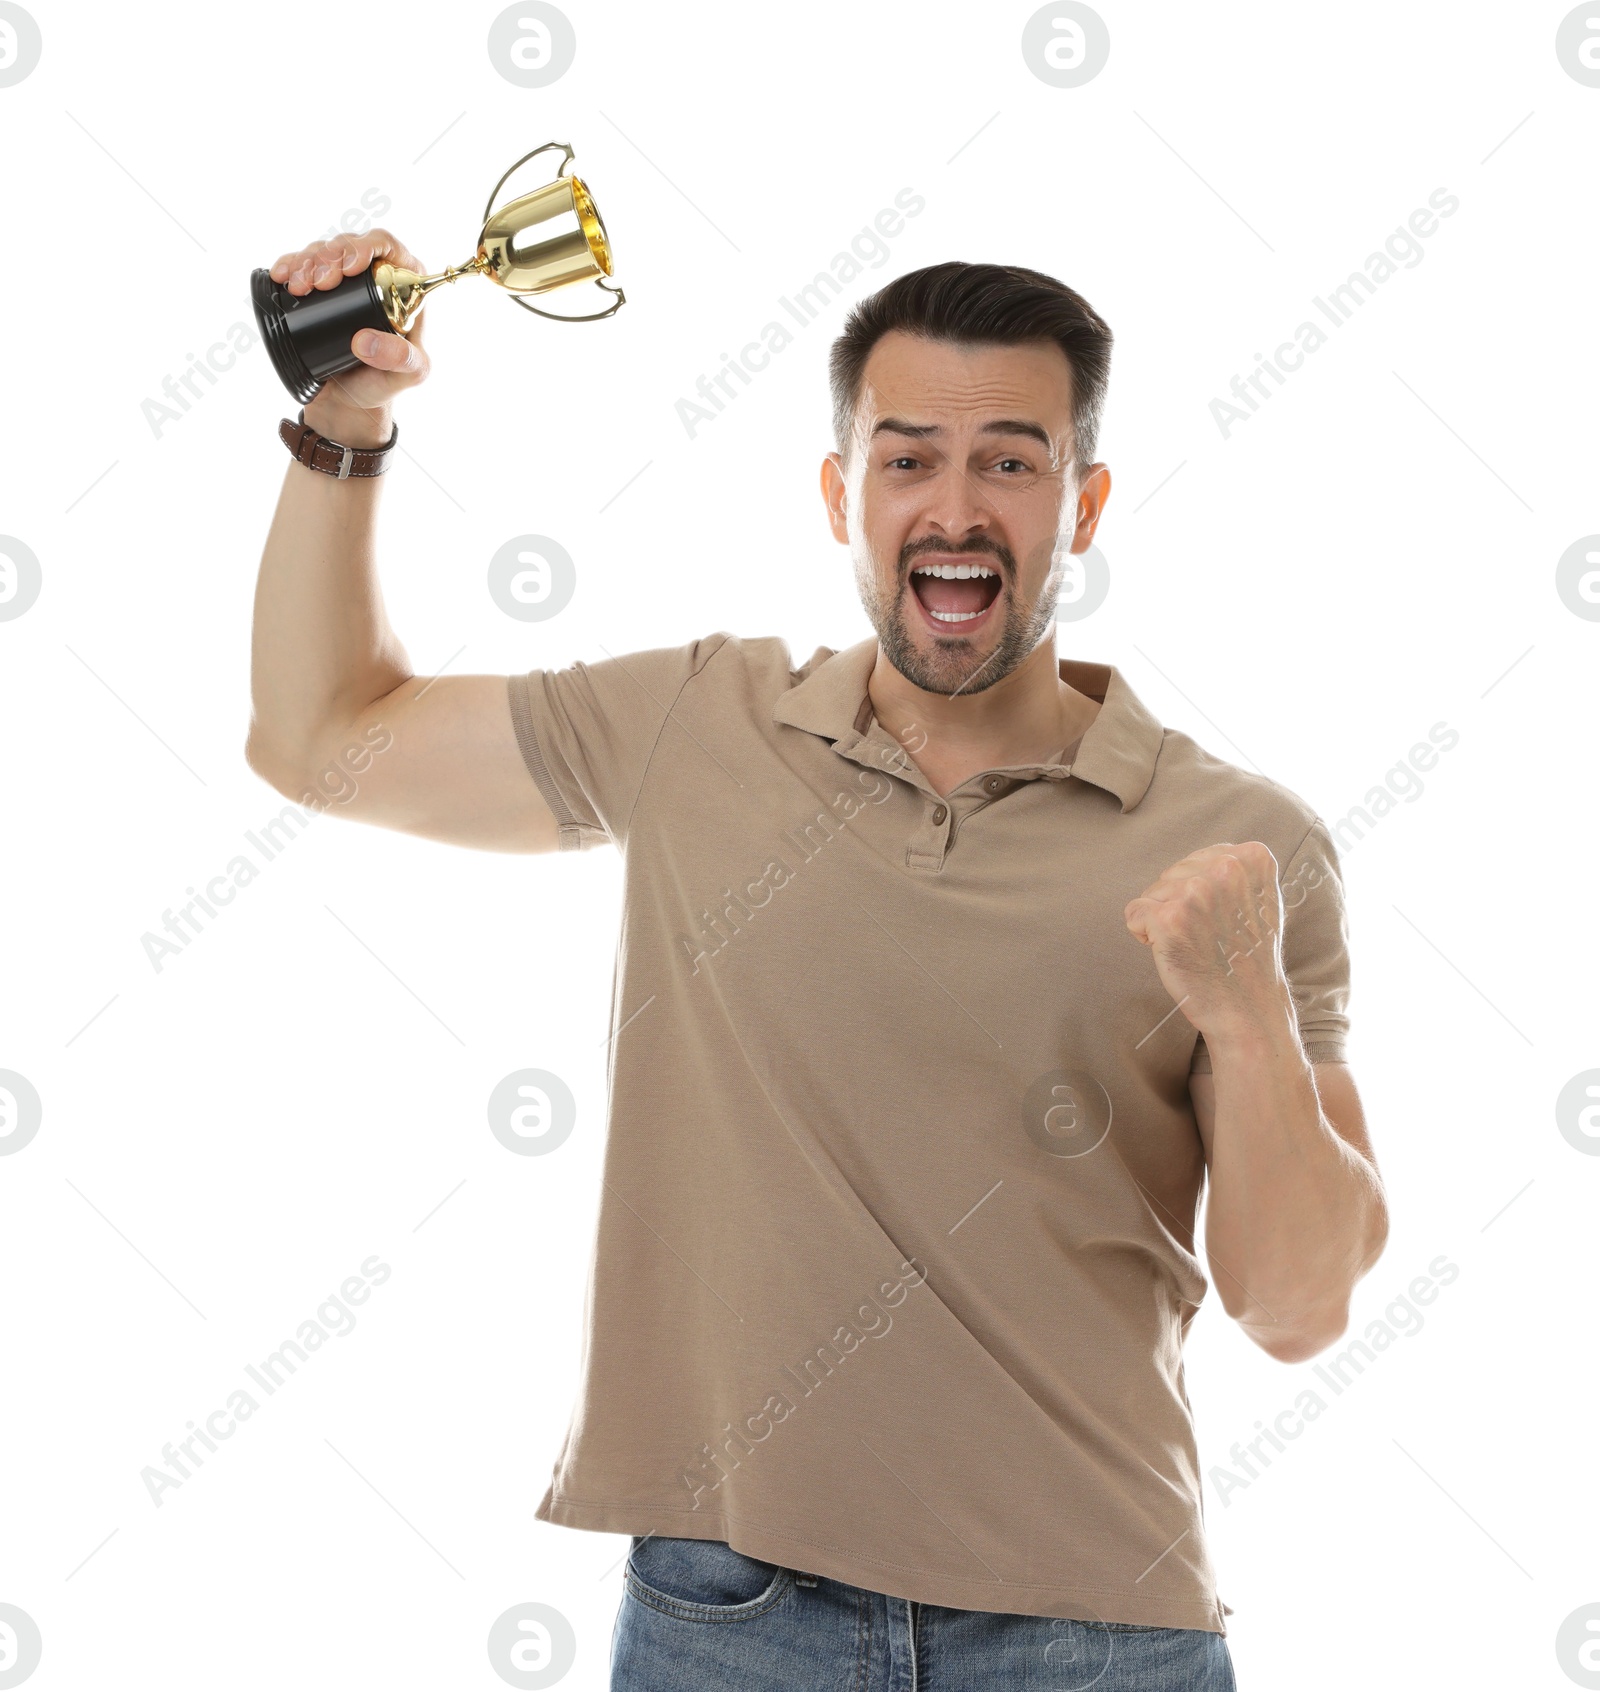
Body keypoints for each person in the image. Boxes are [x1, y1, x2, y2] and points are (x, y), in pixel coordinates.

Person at [248, 231, 1389, 1692]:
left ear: (1084, 503)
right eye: (906, 459)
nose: (954, 508)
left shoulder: (1243, 846)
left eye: (1012, 463)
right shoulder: (695, 728)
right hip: (726, 1622)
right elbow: (321, 739)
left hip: (1091, 1637)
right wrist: (343, 427)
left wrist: (1245, 1016)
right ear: (842, 495)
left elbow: (1298, 1309)